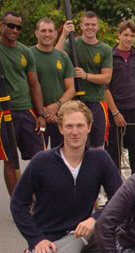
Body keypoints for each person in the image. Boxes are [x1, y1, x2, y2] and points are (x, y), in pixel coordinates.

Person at [11, 100, 122, 253]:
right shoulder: (42, 162)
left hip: (85, 234)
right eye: (69, 126)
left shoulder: (100, 159)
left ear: (89, 127)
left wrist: (96, 218)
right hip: (52, 240)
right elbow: (17, 204)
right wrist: (36, 240)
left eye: (80, 126)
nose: (75, 132)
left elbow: (120, 197)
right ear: (60, 128)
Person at [0, 11, 46, 196]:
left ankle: (38, 197)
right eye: (10, 25)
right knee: (9, 160)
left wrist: (40, 114)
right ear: (1, 25)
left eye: (18, 27)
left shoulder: (25, 51)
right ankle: (17, 202)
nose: (14, 30)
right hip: (3, 112)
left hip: (27, 111)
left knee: (39, 157)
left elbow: (34, 84)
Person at [56, 11, 112, 149]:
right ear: (81, 26)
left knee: (98, 145)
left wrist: (85, 75)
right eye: (87, 24)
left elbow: (106, 77)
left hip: (96, 102)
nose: (90, 28)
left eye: (93, 24)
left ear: (98, 27)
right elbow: (55, 56)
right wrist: (63, 34)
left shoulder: (105, 49)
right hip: (74, 102)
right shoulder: (72, 44)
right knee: (74, 142)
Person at [105, 20, 135, 173]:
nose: (129, 39)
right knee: (113, 152)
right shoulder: (109, 57)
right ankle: (115, 189)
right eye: (126, 35)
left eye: (132, 35)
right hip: (116, 110)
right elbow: (105, 88)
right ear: (119, 35)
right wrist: (115, 112)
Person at [31, 18, 75, 148]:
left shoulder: (63, 57)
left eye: (50, 31)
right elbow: (28, 86)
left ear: (56, 33)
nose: (47, 34)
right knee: (39, 156)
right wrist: (42, 112)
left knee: (61, 155)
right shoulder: (29, 54)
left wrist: (56, 107)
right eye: (43, 31)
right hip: (37, 116)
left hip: (59, 117)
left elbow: (71, 89)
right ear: (36, 33)